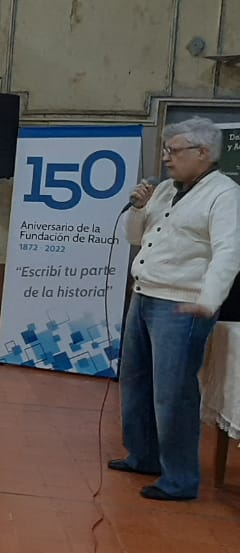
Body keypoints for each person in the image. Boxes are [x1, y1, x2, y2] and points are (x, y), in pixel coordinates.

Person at [112, 117, 240, 501]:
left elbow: (229, 253)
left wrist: (208, 301)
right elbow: (135, 237)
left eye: (175, 150)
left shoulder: (225, 194)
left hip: (182, 305)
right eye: (166, 150)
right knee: (135, 382)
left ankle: (180, 480)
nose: (167, 158)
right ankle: (144, 456)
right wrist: (138, 208)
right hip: (143, 295)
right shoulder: (166, 189)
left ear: (203, 153)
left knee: (174, 393)